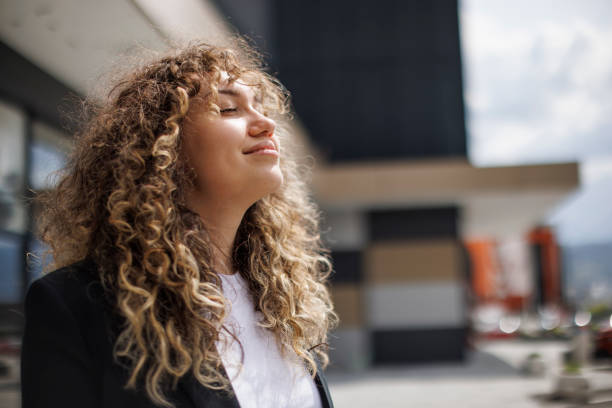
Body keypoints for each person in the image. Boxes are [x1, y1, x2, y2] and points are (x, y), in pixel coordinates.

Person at [21, 40, 337, 408]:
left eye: (263, 108)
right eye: (229, 108)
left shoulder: (280, 303)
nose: (266, 123)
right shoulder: (77, 306)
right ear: (164, 145)